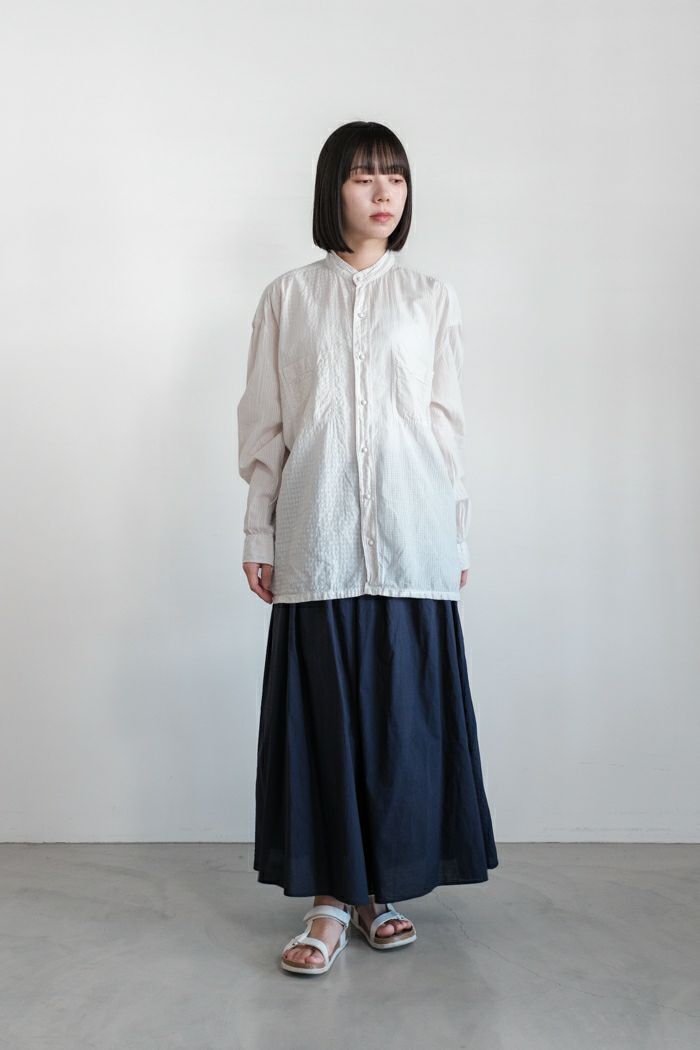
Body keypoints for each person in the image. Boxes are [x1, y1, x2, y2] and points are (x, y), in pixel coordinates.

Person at [236, 120, 498, 976]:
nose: (384, 193)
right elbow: (266, 429)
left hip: (411, 539)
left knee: (400, 724)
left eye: (396, 177)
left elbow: (446, 428)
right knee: (325, 723)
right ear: (332, 190)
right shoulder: (287, 298)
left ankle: (378, 891)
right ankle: (326, 902)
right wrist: (259, 530)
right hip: (318, 539)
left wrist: (452, 533)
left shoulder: (430, 298)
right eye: (363, 177)